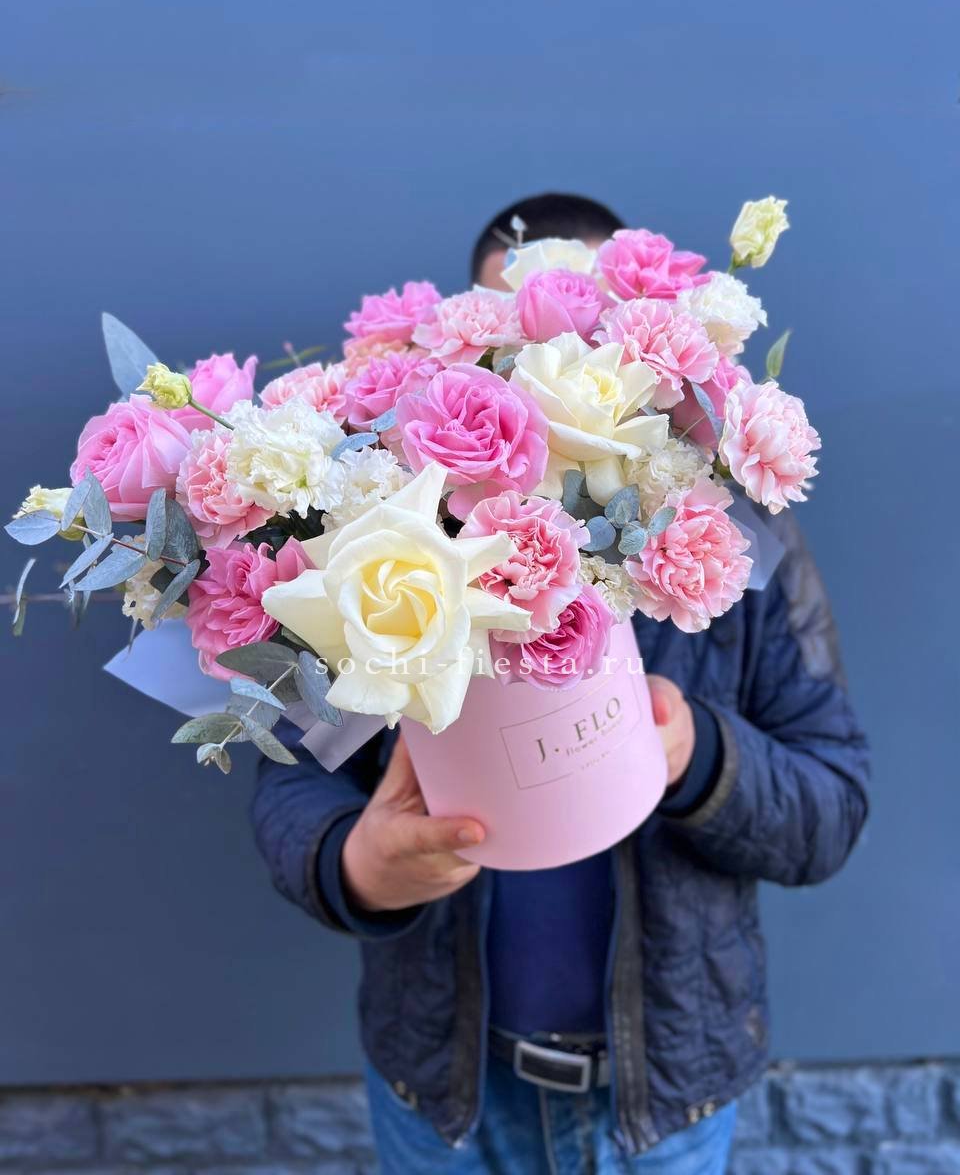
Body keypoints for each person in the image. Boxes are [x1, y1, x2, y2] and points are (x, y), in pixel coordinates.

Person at [252, 192, 870, 1174]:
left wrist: (699, 754)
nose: (541, 377)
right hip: (443, 1099)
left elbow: (832, 802)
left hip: (664, 1101)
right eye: (501, 346)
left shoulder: (735, 538)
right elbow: (293, 773)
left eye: (580, 341)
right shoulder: (375, 541)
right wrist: (356, 866)